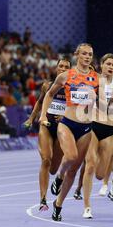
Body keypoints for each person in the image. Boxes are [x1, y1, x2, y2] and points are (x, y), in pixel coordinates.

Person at [40, 43, 99, 222]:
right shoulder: (66, 76)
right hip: (67, 124)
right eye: (84, 54)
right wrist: (43, 114)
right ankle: (58, 177)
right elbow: (49, 94)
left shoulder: (98, 79)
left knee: (73, 171)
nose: (87, 57)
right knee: (71, 156)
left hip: (86, 128)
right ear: (77, 55)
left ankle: (58, 205)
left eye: (90, 54)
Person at [24, 58, 71, 211]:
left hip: (63, 129)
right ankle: (43, 200)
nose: (63, 68)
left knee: (53, 168)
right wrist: (32, 118)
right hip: (46, 126)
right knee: (46, 160)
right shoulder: (47, 85)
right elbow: (39, 102)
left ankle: (58, 178)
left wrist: (66, 117)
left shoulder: (74, 88)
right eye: (61, 66)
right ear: (56, 68)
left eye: (66, 67)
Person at [81, 53, 113, 219]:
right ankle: (87, 207)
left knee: (100, 172)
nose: (110, 67)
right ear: (101, 65)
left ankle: (104, 182)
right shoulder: (94, 79)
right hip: (93, 126)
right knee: (90, 165)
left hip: (110, 129)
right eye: (108, 64)